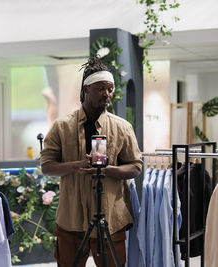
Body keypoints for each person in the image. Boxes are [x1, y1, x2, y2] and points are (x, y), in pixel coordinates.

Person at [40, 57, 142, 267]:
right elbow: (47, 166)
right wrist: (75, 165)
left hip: (111, 218)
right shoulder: (62, 126)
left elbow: (135, 167)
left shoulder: (122, 127)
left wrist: (109, 170)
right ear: (86, 89)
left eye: (110, 89)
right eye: (100, 89)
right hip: (72, 219)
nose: (107, 94)